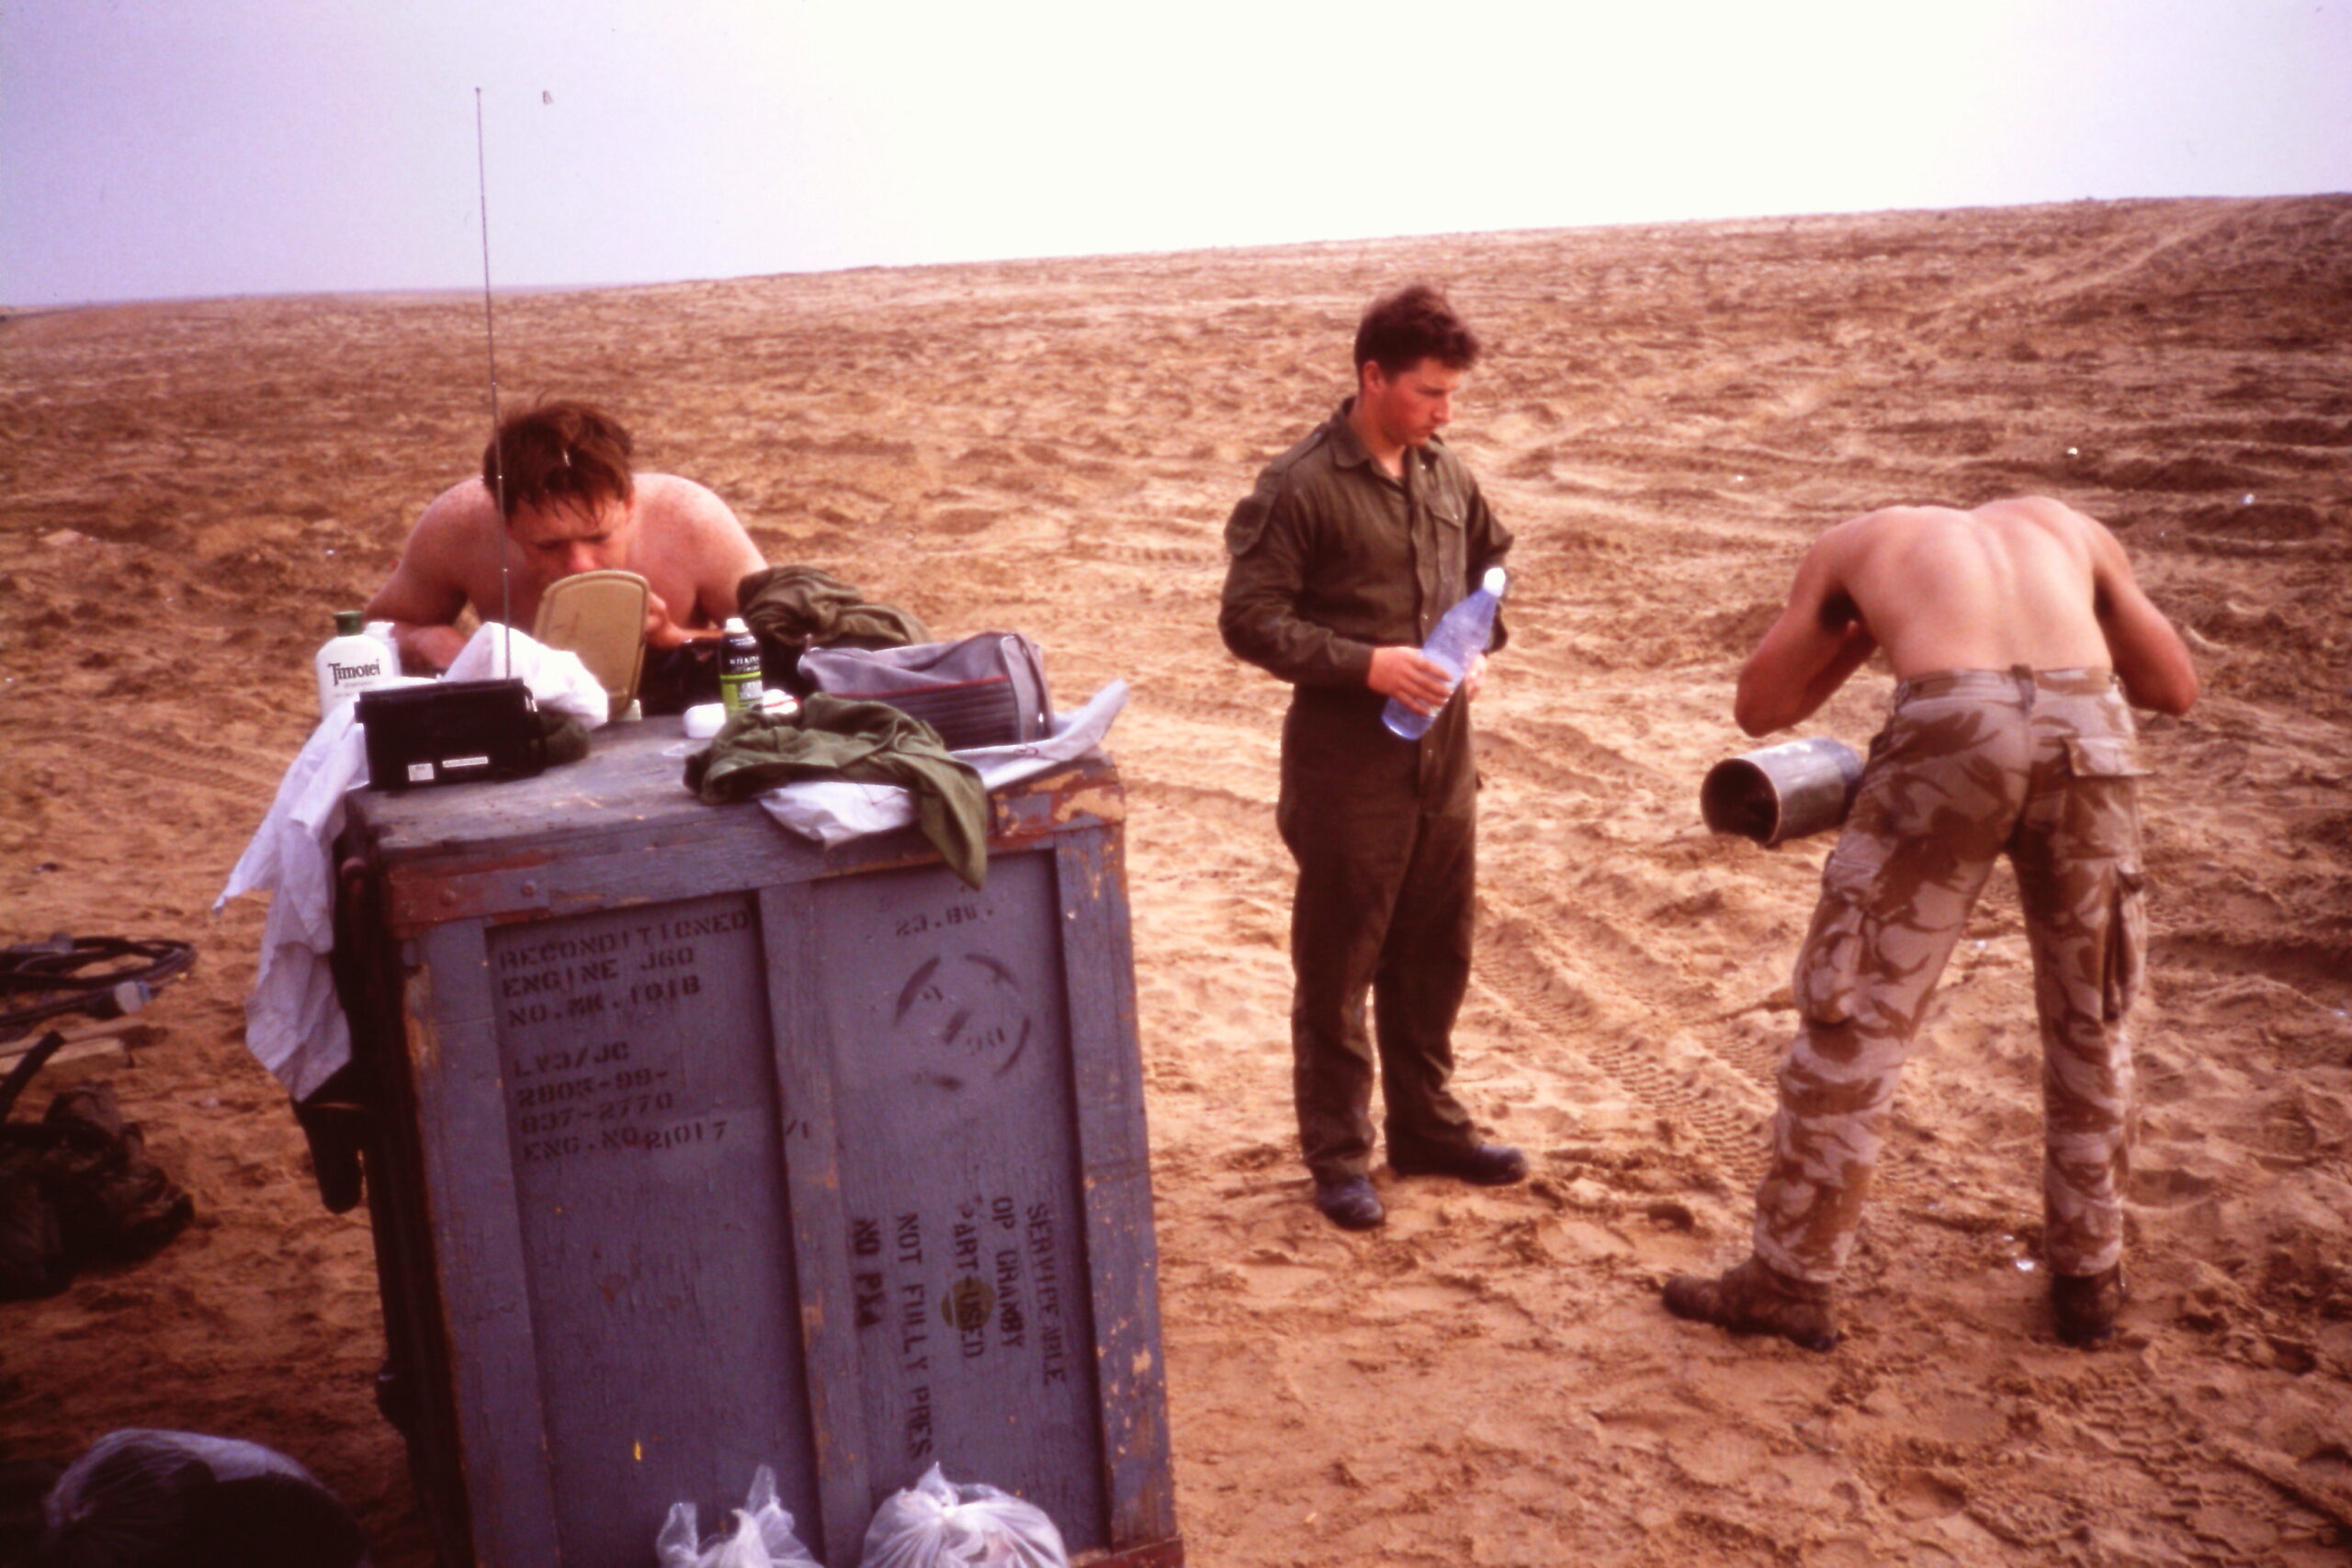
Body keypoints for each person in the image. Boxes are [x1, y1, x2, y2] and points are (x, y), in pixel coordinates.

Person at [1665, 495, 2198, 1350]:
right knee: (2093, 1012)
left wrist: (1861, 635)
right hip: (2090, 726)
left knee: (1855, 1010)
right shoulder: (2072, 529)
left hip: (1951, 725)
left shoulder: (1854, 541)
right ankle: (2089, 1278)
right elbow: (2174, 688)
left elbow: (1761, 707)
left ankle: (1790, 1282)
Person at [1218, 284, 1526, 1231]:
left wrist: (1477, 645)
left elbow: (1491, 566)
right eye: (1430, 392)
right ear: (1373, 376)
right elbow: (1249, 620)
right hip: (1347, 772)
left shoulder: (1446, 474)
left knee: (1436, 954)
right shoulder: (1300, 486)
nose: (1445, 412)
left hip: (1445, 765)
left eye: (1452, 394)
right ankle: (1340, 1156)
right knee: (1340, 966)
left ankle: (1427, 1129)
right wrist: (1369, 665)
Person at [366, 400, 765, 675]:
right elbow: (375, 628)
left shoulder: (691, 519)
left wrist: (676, 638)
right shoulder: (459, 525)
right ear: (507, 524)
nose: (579, 566)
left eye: (599, 537)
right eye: (549, 545)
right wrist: (424, 639)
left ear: (627, 505)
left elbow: (786, 643)